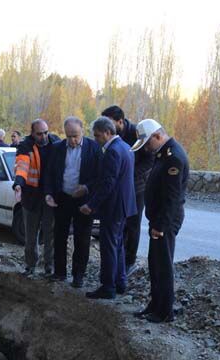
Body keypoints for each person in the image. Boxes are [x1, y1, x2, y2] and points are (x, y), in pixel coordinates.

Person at [131, 119, 189, 323]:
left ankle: (165, 311)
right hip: (158, 218)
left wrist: (160, 226)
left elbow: (172, 198)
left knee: (163, 265)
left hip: (165, 220)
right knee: (155, 263)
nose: (146, 149)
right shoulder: (163, 154)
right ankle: (155, 304)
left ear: (157, 136)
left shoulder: (173, 158)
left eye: (148, 144)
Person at [79, 116, 136, 299]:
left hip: (113, 207)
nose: (96, 140)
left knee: (109, 246)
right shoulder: (126, 147)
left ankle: (108, 286)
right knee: (117, 244)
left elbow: (108, 183)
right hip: (124, 205)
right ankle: (120, 282)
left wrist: (91, 205)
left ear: (107, 132)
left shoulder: (112, 151)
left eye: (97, 136)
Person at [44, 116, 102, 288]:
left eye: (75, 135)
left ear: (82, 131)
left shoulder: (94, 148)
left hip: (83, 201)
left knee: (82, 239)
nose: (72, 140)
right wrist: (48, 194)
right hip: (62, 198)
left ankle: (78, 276)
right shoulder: (57, 148)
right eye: (69, 136)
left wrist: (86, 188)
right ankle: (60, 272)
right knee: (59, 236)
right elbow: (49, 174)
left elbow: (100, 176)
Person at [101, 105, 154, 277]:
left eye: (109, 123)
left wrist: (129, 174)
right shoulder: (110, 136)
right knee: (119, 226)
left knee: (132, 224)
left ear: (120, 122)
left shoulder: (137, 134)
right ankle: (117, 261)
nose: (105, 127)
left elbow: (149, 161)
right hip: (117, 187)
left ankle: (129, 262)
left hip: (136, 187)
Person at [13, 119, 60, 276]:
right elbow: (22, 167)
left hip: (50, 197)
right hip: (31, 198)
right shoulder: (25, 146)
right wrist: (18, 184)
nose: (44, 136)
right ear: (32, 133)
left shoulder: (55, 143)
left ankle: (49, 267)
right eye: (40, 133)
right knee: (31, 235)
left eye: (46, 132)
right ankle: (30, 265)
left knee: (50, 234)